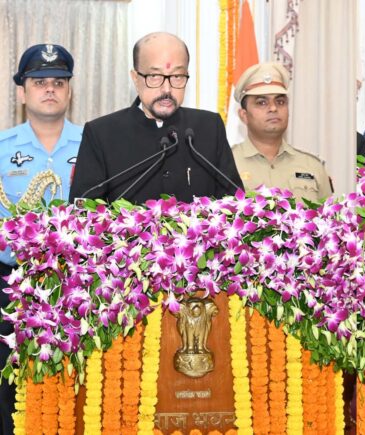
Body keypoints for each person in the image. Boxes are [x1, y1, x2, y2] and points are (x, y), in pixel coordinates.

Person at [0, 43, 81, 435]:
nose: (49, 88)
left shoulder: (94, 142)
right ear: (22, 92)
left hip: (78, 288)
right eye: (39, 82)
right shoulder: (1, 149)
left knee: (76, 385)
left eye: (58, 82)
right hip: (12, 287)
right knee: (9, 387)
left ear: (69, 91)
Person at [69, 32, 243, 204]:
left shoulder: (209, 127)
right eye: (154, 76)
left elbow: (234, 204)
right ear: (135, 78)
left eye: (177, 76)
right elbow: (84, 215)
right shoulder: (102, 133)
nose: (167, 89)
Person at [231, 62, 332, 202]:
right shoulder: (227, 164)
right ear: (244, 115)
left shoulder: (312, 166)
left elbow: (330, 221)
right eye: (262, 102)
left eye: (280, 102)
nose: (273, 108)